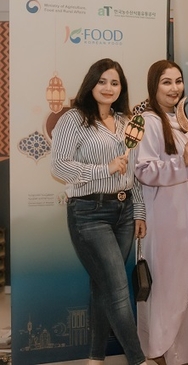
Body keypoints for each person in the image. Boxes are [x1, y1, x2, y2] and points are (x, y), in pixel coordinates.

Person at [51, 58, 148, 365]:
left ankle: (95, 358)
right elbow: (59, 166)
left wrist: (139, 210)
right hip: (89, 212)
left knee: (103, 285)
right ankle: (138, 360)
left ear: (122, 88)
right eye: (102, 81)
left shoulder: (126, 122)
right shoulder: (74, 119)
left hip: (124, 211)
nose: (108, 88)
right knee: (117, 288)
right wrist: (104, 169)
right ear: (91, 84)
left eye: (115, 82)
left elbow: (133, 171)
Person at [134, 60, 188, 365]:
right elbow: (143, 170)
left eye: (178, 81)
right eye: (166, 82)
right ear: (153, 86)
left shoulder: (181, 124)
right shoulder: (147, 121)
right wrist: (182, 161)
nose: (174, 88)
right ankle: (162, 354)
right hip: (164, 225)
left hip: (186, 224)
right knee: (166, 294)